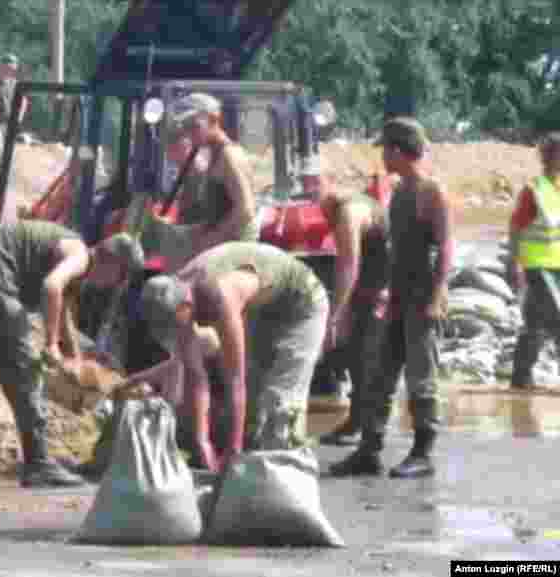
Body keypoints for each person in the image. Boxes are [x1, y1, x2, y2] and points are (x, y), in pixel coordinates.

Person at [0, 225, 144, 486]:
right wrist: (51, 344)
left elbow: (63, 310)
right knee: (25, 372)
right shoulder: (79, 255)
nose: (116, 285)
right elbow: (51, 287)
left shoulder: (74, 263)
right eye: (121, 277)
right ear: (112, 262)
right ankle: (38, 463)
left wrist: (75, 359)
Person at [328, 117, 454, 479]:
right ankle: (369, 451)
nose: (382, 156)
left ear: (398, 150)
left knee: (421, 379)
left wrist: (436, 295)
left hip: (422, 298)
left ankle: (423, 453)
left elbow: (445, 246)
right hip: (398, 298)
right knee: (380, 378)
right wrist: (386, 293)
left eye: (385, 148)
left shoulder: (431, 191)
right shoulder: (399, 191)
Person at [137, 242, 329, 473]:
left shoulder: (222, 298)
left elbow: (235, 381)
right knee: (253, 410)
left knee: (278, 403)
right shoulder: (176, 295)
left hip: (302, 302)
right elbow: (196, 377)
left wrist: (233, 449)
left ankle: (286, 476)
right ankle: (250, 476)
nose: (186, 327)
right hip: (263, 304)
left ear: (188, 306)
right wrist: (202, 442)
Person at [140, 92, 257, 271]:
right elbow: (220, 210)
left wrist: (211, 238)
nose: (189, 132)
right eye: (185, 126)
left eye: (194, 125)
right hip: (219, 242)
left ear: (214, 119)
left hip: (232, 250)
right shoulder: (215, 154)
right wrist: (196, 232)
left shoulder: (229, 155)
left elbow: (246, 210)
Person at [316, 187, 391, 446]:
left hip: (380, 291)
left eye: (327, 218)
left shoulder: (348, 213)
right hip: (370, 286)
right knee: (355, 354)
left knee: (366, 357)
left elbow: (349, 266)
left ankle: (367, 428)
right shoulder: (362, 204)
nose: (329, 225)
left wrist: (336, 315)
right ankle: (357, 421)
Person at [507, 132, 560, 389]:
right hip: (537, 268)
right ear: (546, 156)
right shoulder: (533, 191)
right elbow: (516, 228)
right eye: (554, 153)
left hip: (557, 267)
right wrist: (513, 262)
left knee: (535, 324)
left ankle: (520, 377)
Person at [0, 53, 28, 194]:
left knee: (3, 158)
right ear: (0, 66)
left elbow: (24, 101)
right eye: (7, 67)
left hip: (8, 124)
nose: (10, 70)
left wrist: (18, 118)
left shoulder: (14, 84)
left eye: (12, 68)